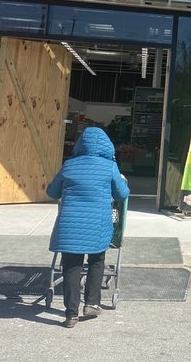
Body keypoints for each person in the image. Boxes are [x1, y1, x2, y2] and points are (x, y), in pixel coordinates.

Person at [46, 126, 129, 328]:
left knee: (71, 266)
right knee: (96, 261)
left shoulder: (69, 165)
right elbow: (122, 194)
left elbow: (52, 192)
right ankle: (92, 302)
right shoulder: (109, 167)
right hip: (97, 226)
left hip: (69, 226)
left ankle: (71, 314)